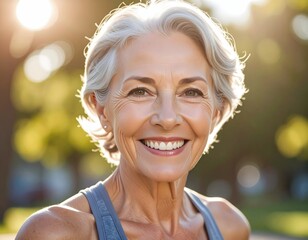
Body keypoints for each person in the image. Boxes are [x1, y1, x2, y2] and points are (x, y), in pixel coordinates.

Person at [16, 0, 250, 239]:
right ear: (102, 109)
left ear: (216, 112)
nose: (167, 118)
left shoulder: (229, 226)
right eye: (140, 91)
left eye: (191, 92)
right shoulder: (57, 233)